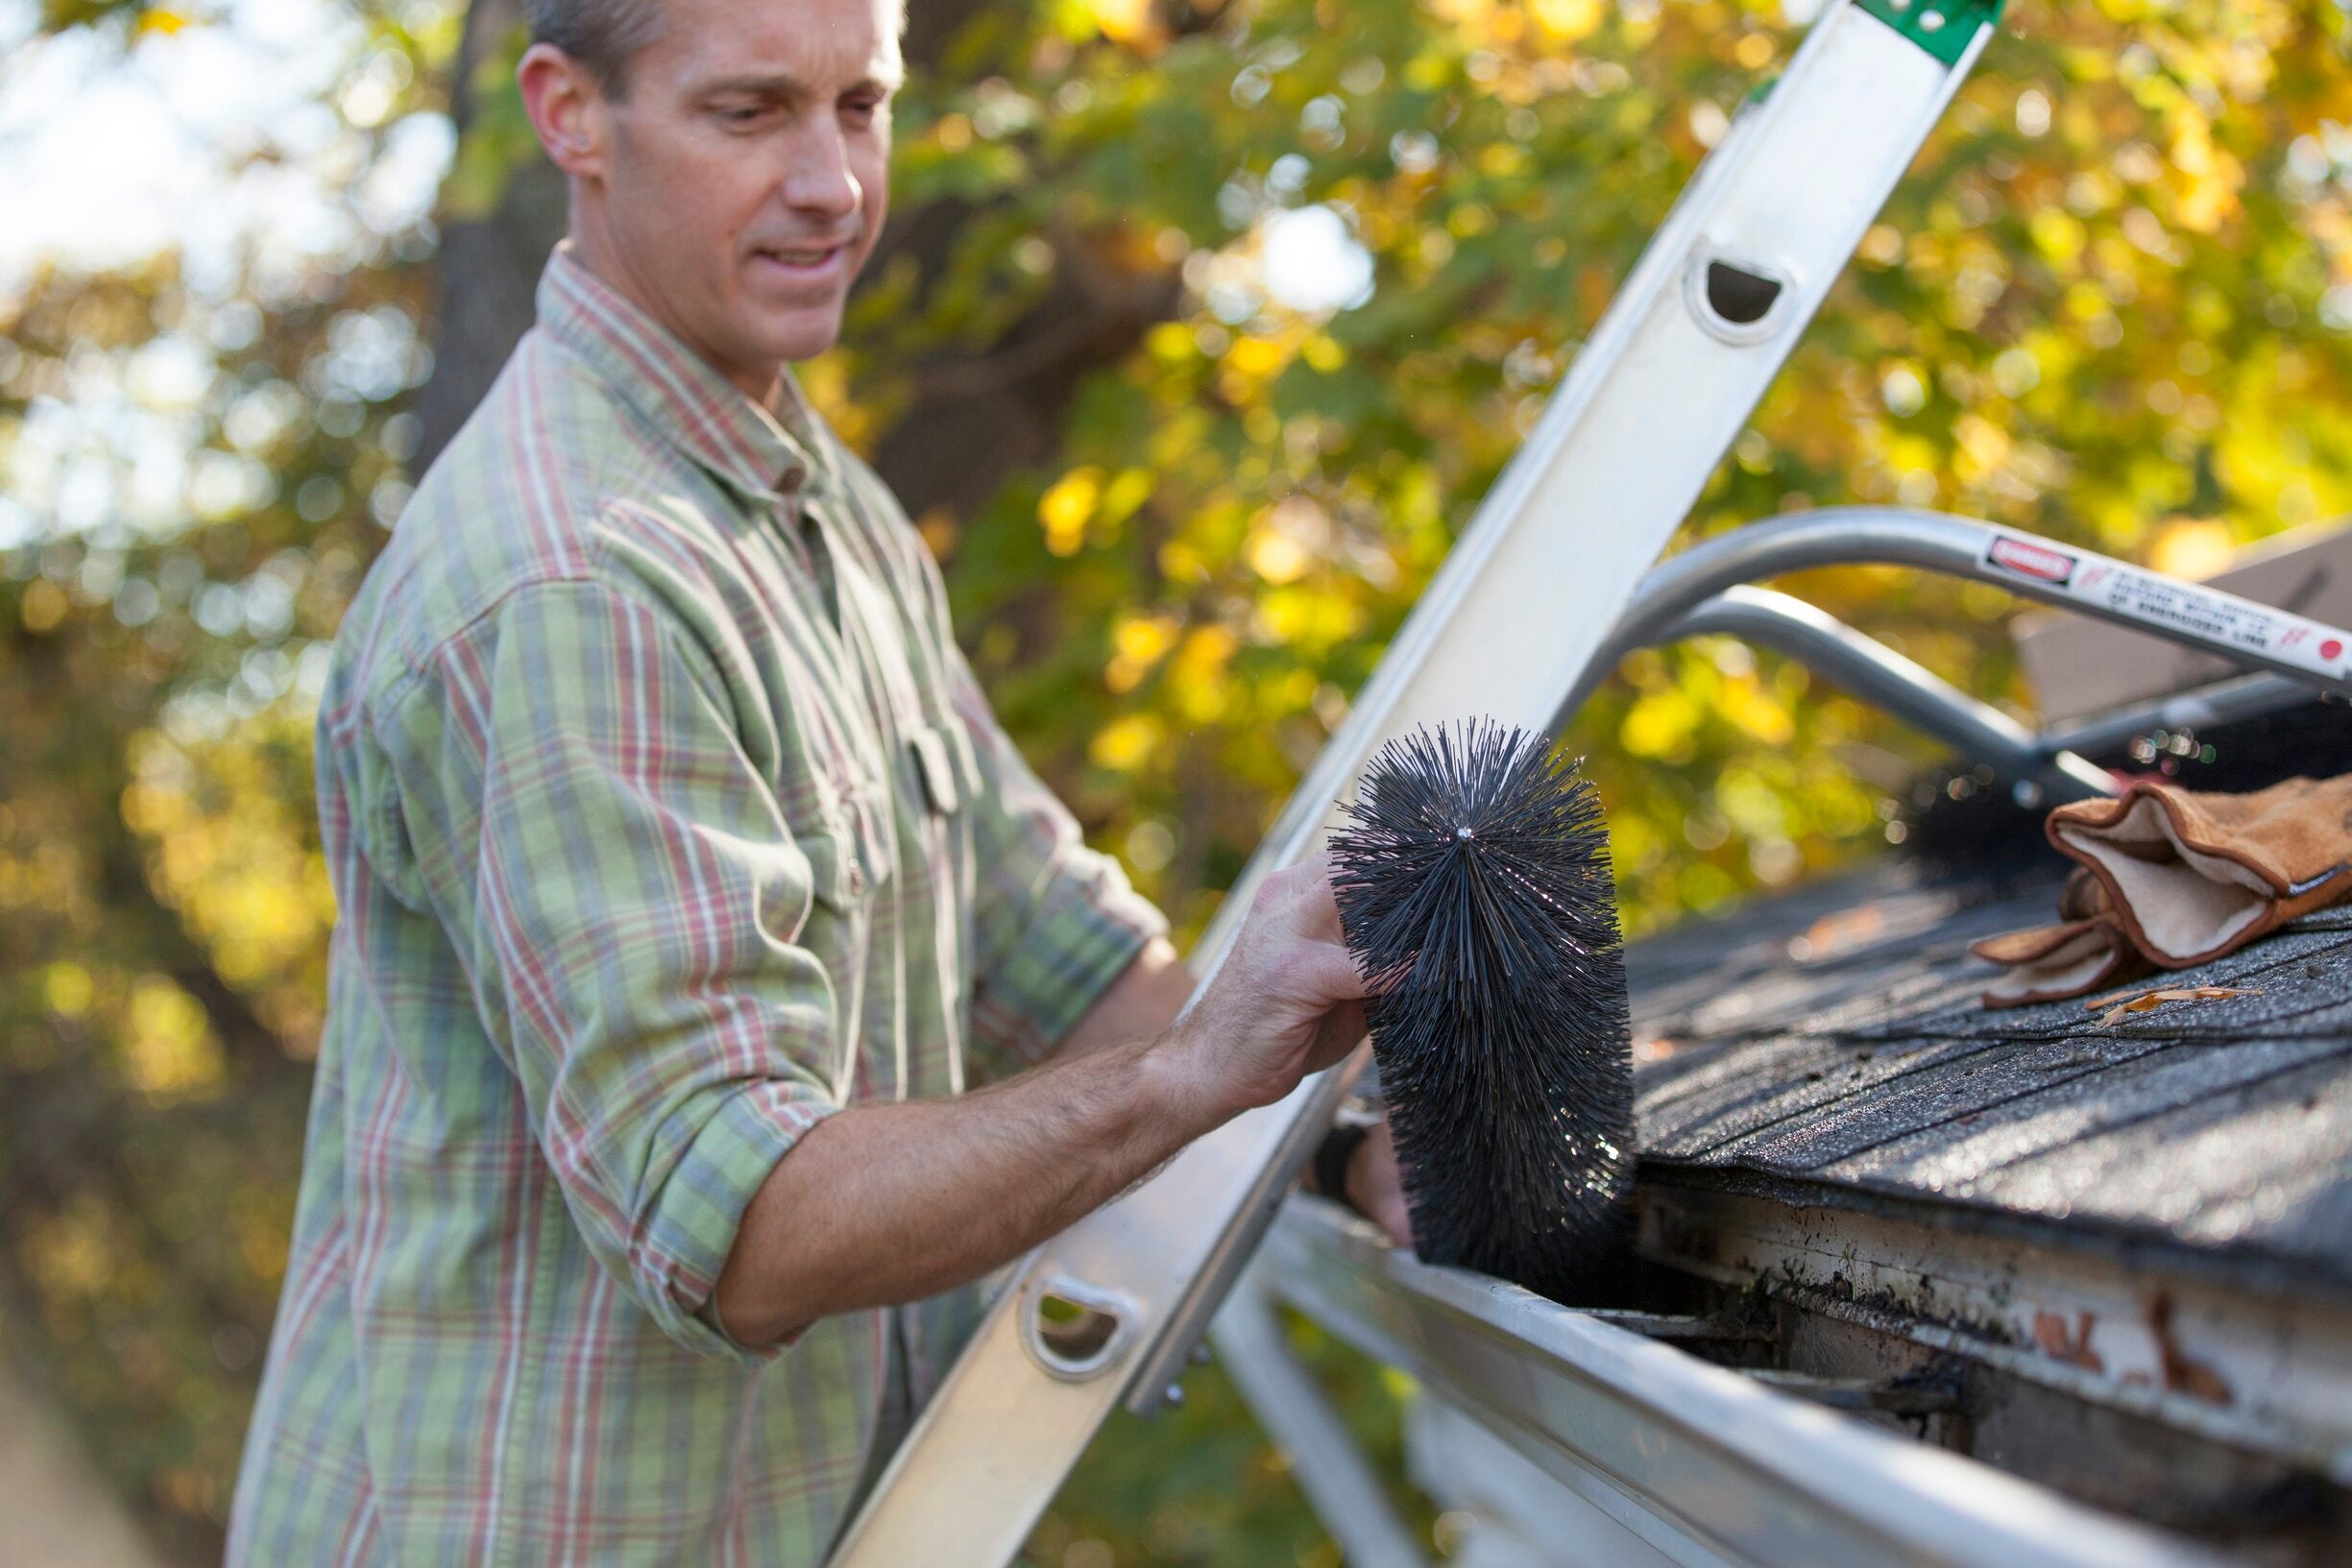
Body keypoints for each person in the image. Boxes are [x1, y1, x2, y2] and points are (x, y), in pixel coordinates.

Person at [227, 0, 1406, 1559]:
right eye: (749, 112)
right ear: (571, 113)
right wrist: (1193, 1082)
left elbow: (1041, 932)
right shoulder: (571, 582)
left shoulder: (809, 494)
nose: (835, 182)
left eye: (862, 103)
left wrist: (1335, 1127)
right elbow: (745, 1222)